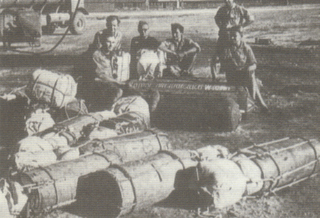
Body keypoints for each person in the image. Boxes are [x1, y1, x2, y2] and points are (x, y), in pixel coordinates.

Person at [220, 26, 268, 111]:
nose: (232, 38)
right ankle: (258, 103)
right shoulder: (227, 48)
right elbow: (222, 63)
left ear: (240, 36)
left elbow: (254, 64)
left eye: (235, 36)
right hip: (232, 76)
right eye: (231, 36)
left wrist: (250, 68)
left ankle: (259, 102)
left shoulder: (246, 48)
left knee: (251, 76)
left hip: (245, 74)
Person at [212, 0, 254, 80]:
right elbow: (216, 18)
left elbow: (251, 19)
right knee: (217, 56)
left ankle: (236, 73)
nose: (227, 1)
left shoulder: (240, 9)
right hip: (223, 36)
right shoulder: (222, 9)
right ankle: (215, 77)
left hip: (235, 37)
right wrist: (221, 26)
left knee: (237, 55)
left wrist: (241, 26)